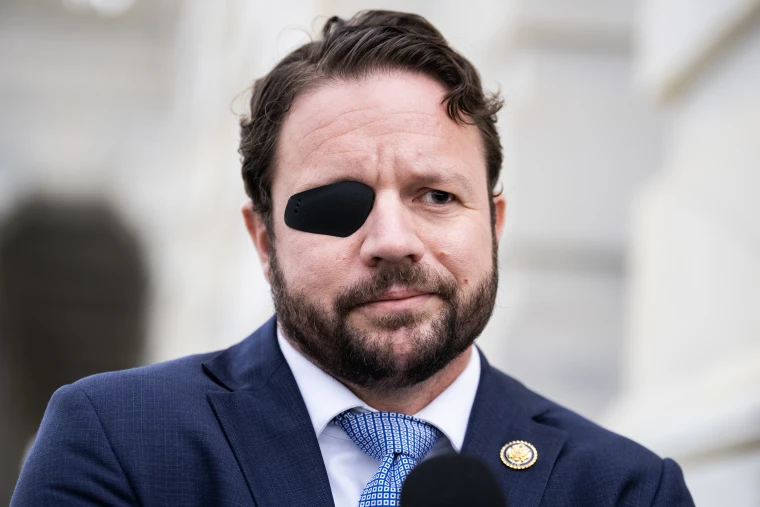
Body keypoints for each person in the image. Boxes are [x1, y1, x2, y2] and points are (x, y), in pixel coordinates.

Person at [12, 10, 695, 507]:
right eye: (338, 204)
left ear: (493, 223)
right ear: (264, 241)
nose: (391, 240)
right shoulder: (117, 444)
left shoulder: (623, 490)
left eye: (436, 195)